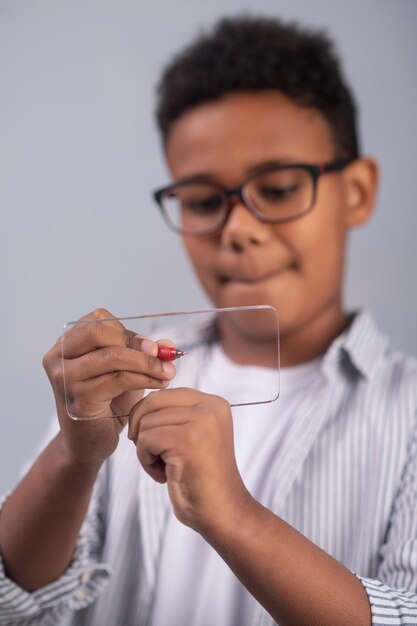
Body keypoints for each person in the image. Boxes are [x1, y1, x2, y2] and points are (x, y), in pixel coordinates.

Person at [0, 15, 416, 626]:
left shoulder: (406, 412)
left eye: (276, 189)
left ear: (356, 191)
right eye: (202, 201)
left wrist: (233, 515)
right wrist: (74, 455)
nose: (238, 229)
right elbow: (14, 602)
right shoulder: (121, 378)